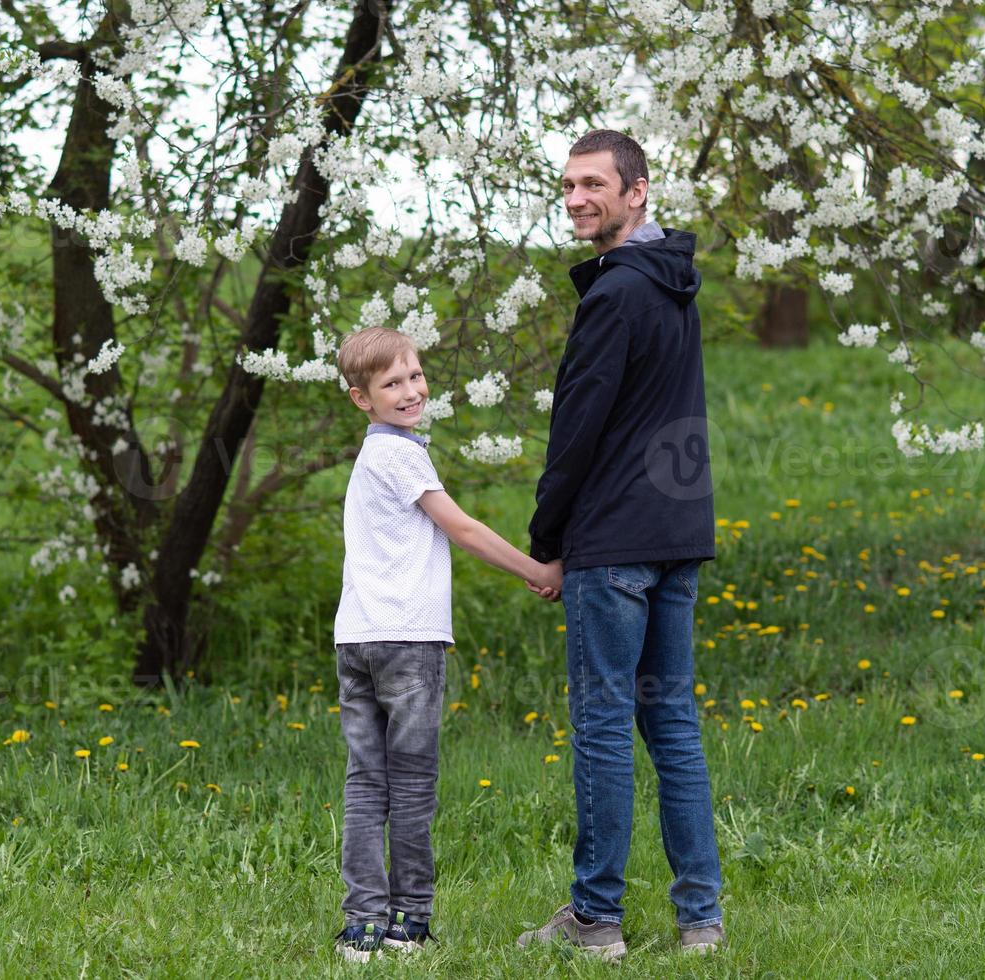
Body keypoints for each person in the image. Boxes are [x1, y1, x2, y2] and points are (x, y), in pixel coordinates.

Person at [516, 129, 724, 961]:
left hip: (615, 542)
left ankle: (595, 922)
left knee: (604, 724)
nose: (575, 198)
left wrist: (546, 537)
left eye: (593, 183)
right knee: (671, 724)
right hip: (676, 532)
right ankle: (699, 924)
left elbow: (577, 427)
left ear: (637, 191)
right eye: (567, 185)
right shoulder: (673, 283)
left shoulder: (615, 293)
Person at [331, 326, 563, 962]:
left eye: (414, 375)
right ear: (362, 399)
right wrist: (536, 570)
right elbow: (459, 527)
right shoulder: (401, 454)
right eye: (392, 384)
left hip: (356, 638)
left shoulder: (370, 456)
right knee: (408, 785)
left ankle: (361, 928)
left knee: (365, 783)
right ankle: (408, 923)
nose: (410, 391)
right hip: (407, 640)